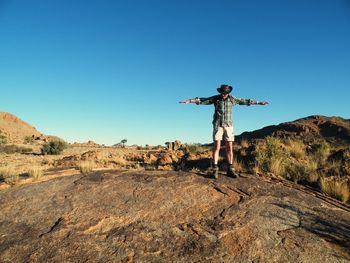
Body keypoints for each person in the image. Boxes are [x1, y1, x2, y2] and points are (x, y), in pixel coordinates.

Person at [179, 84, 269, 179]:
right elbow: (203, 100)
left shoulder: (232, 99)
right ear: (220, 92)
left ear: (228, 92)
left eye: (225, 93)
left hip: (229, 126)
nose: (223, 94)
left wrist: (259, 103)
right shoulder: (216, 99)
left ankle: (230, 169)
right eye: (222, 92)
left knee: (229, 147)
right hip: (218, 125)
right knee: (217, 146)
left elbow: (245, 101)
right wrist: (189, 101)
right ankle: (215, 170)